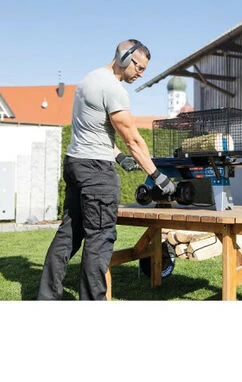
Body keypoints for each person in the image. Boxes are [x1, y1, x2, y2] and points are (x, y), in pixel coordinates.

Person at [37, 39, 176, 300]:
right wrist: (158, 176)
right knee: (99, 239)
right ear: (124, 57)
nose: (141, 73)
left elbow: (94, 130)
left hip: (75, 163)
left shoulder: (88, 80)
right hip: (96, 172)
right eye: (139, 67)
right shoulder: (113, 89)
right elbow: (133, 140)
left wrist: (120, 157)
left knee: (69, 234)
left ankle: (47, 298)